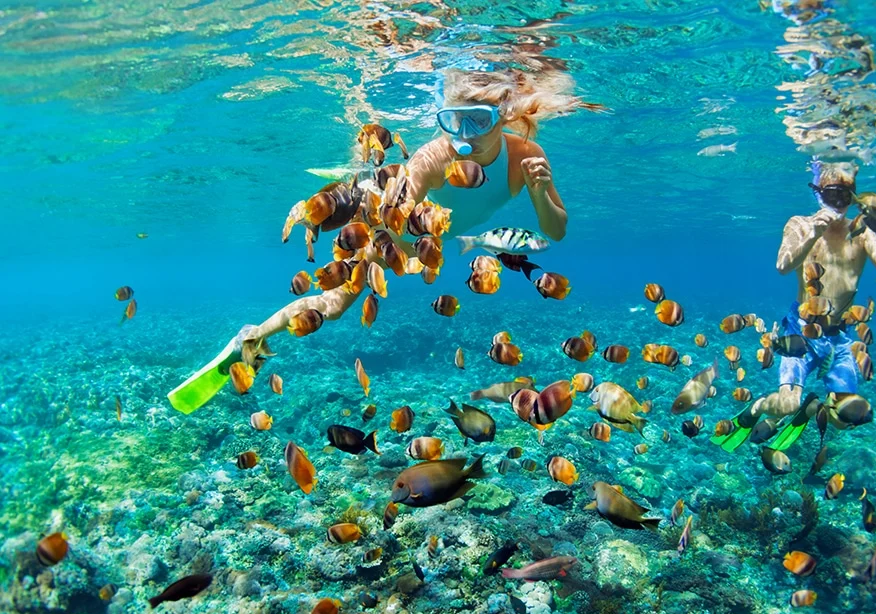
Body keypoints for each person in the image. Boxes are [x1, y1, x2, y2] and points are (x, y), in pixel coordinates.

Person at [168, 69, 598, 414]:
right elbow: (394, 215)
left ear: (503, 116)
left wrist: (539, 192)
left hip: (429, 244)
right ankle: (251, 336)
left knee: (338, 305)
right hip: (390, 233)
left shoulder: (525, 155)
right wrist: (388, 252)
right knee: (334, 305)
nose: (464, 132)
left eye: (479, 121)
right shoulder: (434, 156)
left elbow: (556, 231)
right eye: (453, 120)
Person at [713, 161, 876, 452]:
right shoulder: (799, 223)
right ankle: (762, 406)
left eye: (844, 196)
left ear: (854, 198)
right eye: (830, 195)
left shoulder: (862, 233)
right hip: (802, 331)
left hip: (841, 335)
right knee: (787, 404)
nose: (837, 203)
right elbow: (782, 266)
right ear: (817, 194)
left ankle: (812, 408)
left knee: (843, 419)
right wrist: (813, 233)